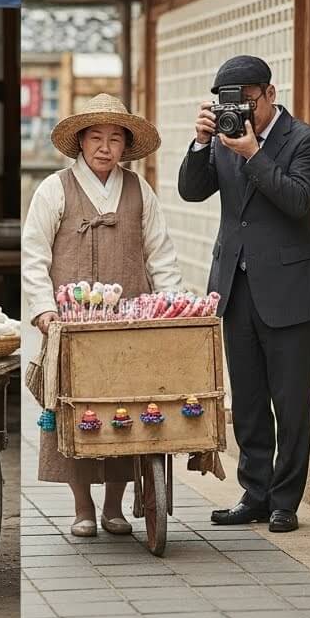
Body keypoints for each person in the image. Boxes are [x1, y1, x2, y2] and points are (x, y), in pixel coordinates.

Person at [179, 55, 310, 533]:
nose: (238, 110)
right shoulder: (224, 136)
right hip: (235, 287)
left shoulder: (305, 139)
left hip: (290, 291)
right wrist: (202, 143)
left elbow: (297, 200)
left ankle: (286, 501)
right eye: (227, 101)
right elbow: (190, 191)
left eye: (246, 100)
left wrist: (252, 154)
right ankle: (255, 493)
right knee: (246, 400)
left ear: (269, 92)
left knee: (292, 403)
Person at [23, 93, 184, 537]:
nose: (105, 147)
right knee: (74, 411)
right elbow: (33, 255)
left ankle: (114, 506)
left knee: (123, 413)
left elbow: (161, 255)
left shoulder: (138, 190)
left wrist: (172, 307)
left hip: (129, 322)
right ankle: (82, 507)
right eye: (96, 137)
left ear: (125, 146)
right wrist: (43, 311)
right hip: (70, 325)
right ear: (80, 142)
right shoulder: (55, 188)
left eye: (115, 139)